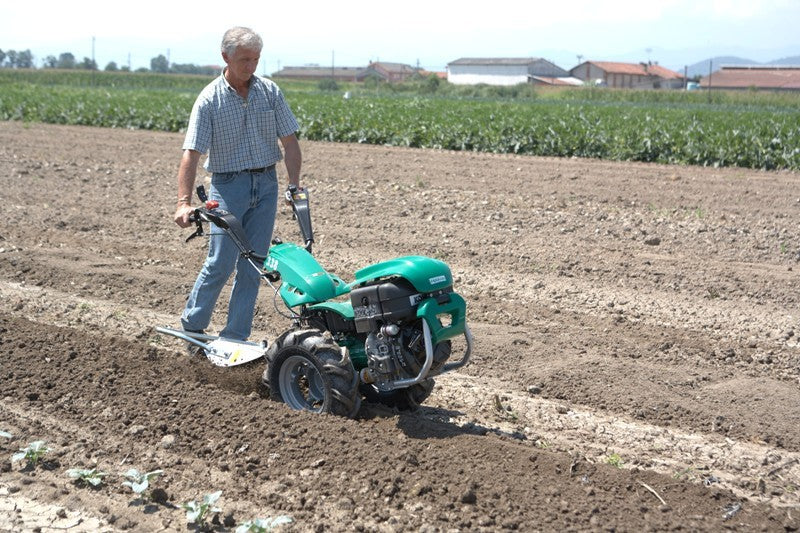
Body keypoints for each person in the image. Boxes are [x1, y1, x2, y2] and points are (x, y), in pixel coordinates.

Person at [173, 26, 301, 344]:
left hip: (267, 184)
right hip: (228, 187)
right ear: (225, 57)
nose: (251, 66)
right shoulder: (209, 100)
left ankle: (235, 336)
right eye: (245, 59)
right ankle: (192, 324)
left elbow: (291, 143)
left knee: (254, 265)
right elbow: (191, 154)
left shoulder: (270, 92)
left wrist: (294, 185)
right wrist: (182, 202)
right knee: (221, 261)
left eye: (256, 59)